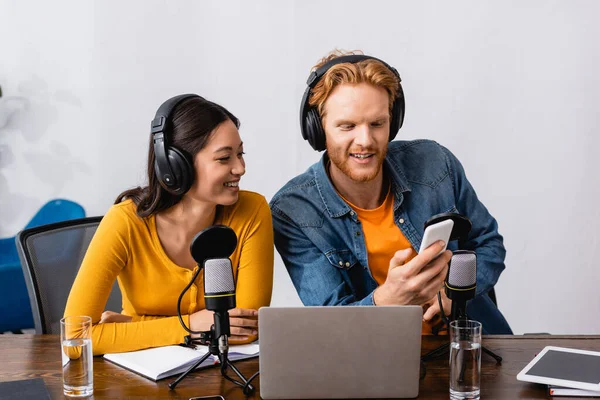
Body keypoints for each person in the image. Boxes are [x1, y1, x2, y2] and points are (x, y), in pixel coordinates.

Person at [270, 51, 512, 334]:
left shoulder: (435, 163)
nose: (365, 141)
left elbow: (488, 244)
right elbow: (331, 320)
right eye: (347, 126)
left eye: (377, 124)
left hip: (471, 344)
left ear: (393, 122)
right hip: (381, 360)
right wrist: (390, 299)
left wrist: (452, 293)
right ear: (319, 129)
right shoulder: (294, 210)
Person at [65, 94, 274, 355]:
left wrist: (132, 327)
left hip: (217, 377)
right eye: (224, 158)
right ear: (176, 166)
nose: (240, 168)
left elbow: (246, 328)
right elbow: (74, 339)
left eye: (240, 154)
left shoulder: (252, 211)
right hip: (137, 380)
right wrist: (188, 325)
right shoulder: (125, 222)